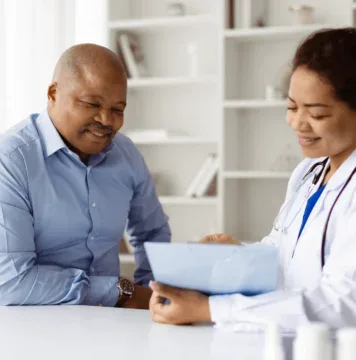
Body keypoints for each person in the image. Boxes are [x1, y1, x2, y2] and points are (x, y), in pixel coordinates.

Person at [149, 28, 356, 330]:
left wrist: (209, 309)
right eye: (291, 107)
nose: (297, 123)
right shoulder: (308, 172)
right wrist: (236, 255)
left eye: (317, 114)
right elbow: (283, 253)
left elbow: (340, 303)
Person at [0, 43, 171, 307]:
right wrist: (121, 293)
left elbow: (153, 231)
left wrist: (152, 292)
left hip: (113, 323)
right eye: (91, 104)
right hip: (32, 327)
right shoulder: (10, 160)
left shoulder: (126, 154)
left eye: (118, 110)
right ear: (53, 93)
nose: (106, 120)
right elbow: (10, 283)